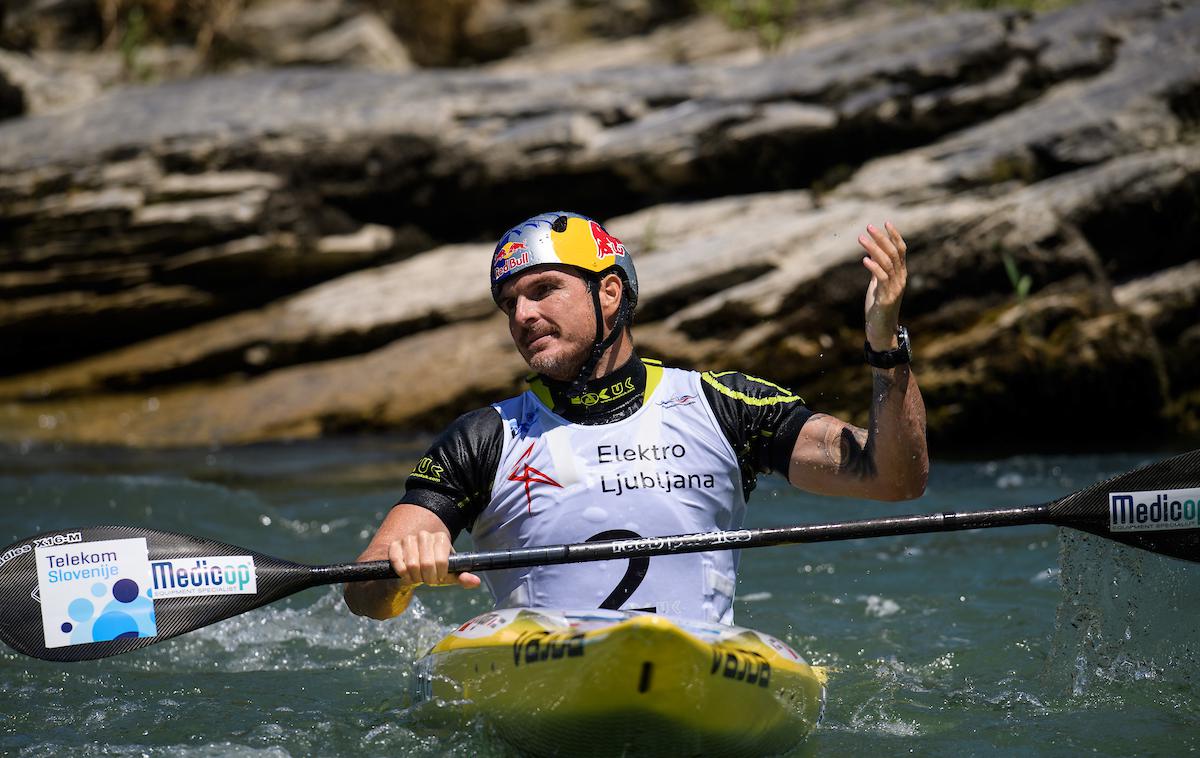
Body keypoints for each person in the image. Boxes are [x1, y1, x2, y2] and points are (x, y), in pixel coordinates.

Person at [343, 211, 927, 623]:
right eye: (510, 303)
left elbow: (892, 478)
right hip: (541, 684)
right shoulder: (484, 437)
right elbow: (363, 594)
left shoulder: (722, 405)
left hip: (698, 671)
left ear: (611, 294)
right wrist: (397, 572)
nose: (522, 314)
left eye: (544, 289)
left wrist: (886, 345)